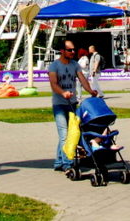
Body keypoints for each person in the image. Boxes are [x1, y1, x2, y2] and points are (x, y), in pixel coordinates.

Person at [49, 40, 96, 172]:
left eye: (73, 50)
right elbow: (53, 83)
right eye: (70, 50)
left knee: (69, 133)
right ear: (62, 51)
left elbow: (82, 80)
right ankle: (67, 164)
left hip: (72, 104)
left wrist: (91, 91)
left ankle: (59, 161)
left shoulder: (75, 65)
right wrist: (63, 92)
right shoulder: (54, 66)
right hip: (59, 105)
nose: (73, 52)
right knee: (65, 134)